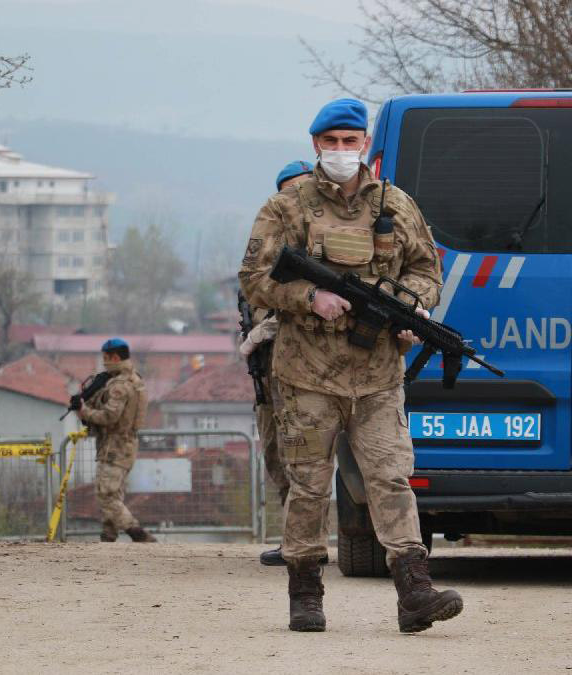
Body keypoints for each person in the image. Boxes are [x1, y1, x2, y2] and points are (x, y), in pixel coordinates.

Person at [238, 98, 463, 633]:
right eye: (331, 141)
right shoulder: (285, 208)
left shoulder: (397, 204)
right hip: (307, 374)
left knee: (390, 478)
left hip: (377, 374)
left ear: (365, 144)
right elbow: (255, 278)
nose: (341, 150)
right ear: (315, 144)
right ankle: (305, 593)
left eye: (350, 141)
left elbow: (427, 270)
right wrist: (308, 296)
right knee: (309, 485)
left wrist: (411, 307)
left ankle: (415, 590)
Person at [246, 160, 317, 567]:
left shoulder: (327, 242)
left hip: (309, 369)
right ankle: (294, 538)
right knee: (276, 455)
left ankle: (306, 543)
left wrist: (270, 325)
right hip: (269, 373)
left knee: (306, 457)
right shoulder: (269, 241)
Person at [77, 338, 157, 543]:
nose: (104, 363)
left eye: (105, 358)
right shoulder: (134, 379)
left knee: (106, 495)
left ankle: (137, 533)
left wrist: (84, 412)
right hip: (125, 445)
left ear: (114, 357)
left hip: (115, 445)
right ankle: (108, 535)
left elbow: (109, 417)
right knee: (113, 492)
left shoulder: (119, 386)